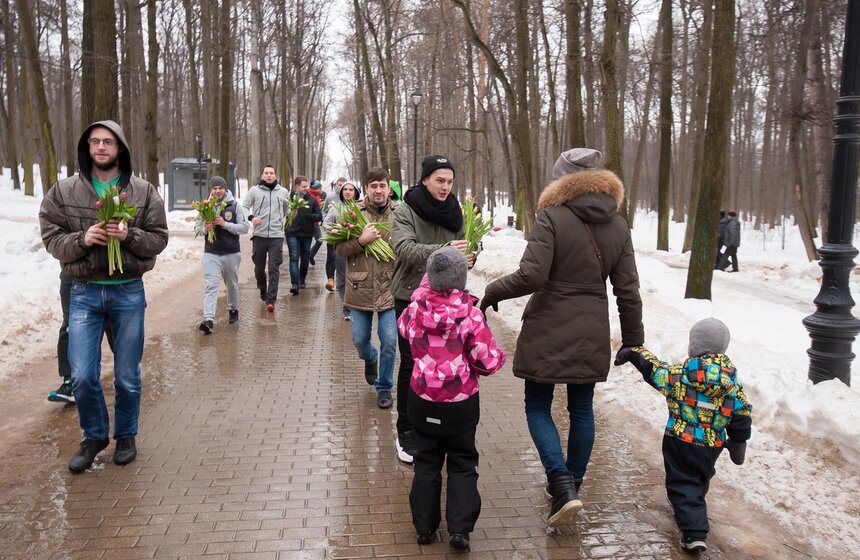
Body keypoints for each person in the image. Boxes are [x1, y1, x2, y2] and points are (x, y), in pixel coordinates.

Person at [480, 147, 644, 526]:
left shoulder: (552, 217)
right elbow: (628, 290)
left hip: (549, 325)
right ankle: (573, 482)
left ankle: (560, 482)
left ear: (562, 179)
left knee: (538, 405)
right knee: (582, 408)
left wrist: (491, 292)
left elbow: (532, 276)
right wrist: (633, 340)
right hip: (591, 328)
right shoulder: (619, 225)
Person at [39, 120, 168, 473]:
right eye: (95, 141)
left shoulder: (143, 191)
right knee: (82, 374)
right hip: (84, 293)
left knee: (127, 374)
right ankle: (94, 435)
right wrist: (84, 239)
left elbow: (158, 238)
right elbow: (51, 238)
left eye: (108, 142)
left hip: (127, 293)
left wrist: (128, 235)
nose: (101, 147)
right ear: (87, 147)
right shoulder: (64, 191)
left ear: (120, 148)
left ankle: (125, 435)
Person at [397, 247, 506, 551]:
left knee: (427, 461)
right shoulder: (470, 315)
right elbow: (486, 362)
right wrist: (500, 356)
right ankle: (459, 529)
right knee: (462, 462)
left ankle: (424, 527)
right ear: (462, 278)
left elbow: (403, 329)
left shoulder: (414, 311)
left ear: (428, 279)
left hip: (421, 400)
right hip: (460, 405)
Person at [614, 318, 752, 554]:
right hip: (712, 445)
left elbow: (654, 370)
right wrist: (738, 444)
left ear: (693, 347)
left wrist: (635, 352)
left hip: (680, 441)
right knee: (698, 478)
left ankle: (694, 534)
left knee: (682, 483)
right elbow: (741, 415)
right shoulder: (732, 384)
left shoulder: (679, 375)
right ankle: (691, 508)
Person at [391, 155, 473, 464]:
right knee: (413, 365)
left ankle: (440, 428)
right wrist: (446, 254)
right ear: (425, 179)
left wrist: (469, 256)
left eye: (450, 181)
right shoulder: (405, 210)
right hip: (410, 297)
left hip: (449, 301)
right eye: (440, 180)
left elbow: (465, 245)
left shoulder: (455, 211)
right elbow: (405, 249)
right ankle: (407, 430)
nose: (445, 187)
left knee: (446, 366)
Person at [333, 168, 398, 409]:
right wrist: (361, 241)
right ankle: (370, 358)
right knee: (360, 339)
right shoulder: (353, 212)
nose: (378, 190)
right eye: (374, 186)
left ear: (388, 188)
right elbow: (339, 249)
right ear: (367, 188)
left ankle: (384, 387)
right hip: (359, 285)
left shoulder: (400, 214)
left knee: (390, 341)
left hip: (390, 287)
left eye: (382, 185)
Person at [48, 272, 114, 403]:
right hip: (72, 274)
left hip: (105, 277)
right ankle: (70, 382)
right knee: (70, 326)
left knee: (112, 325)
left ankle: (126, 370)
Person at [197, 176, 249, 334]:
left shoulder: (235, 206)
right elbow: (196, 229)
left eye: (220, 188)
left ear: (225, 189)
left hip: (231, 252)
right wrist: (205, 228)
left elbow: (245, 228)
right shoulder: (206, 207)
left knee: (231, 285)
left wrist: (225, 224)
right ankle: (208, 320)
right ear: (211, 190)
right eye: (214, 188)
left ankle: (233, 309)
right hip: (211, 252)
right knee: (211, 285)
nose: (217, 191)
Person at [243, 165, 290, 311]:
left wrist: (290, 214)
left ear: (275, 176)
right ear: (262, 175)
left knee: (274, 268)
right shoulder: (254, 191)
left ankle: (271, 300)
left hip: (276, 235)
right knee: (259, 269)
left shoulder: (283, 192)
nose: (269, 175)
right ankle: (263, 289)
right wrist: (251, 218)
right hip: (259, 235)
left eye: (271, 173)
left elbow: (286, 209)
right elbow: (244, 207)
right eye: (266, 173)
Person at [325, 180, 360, 320]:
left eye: (351, 189)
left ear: (356, 192)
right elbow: (327, 224)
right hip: (341, 248)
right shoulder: (335, 208)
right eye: (345, 189)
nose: (347, 192)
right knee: (342, 278)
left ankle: (357, 305)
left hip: (358, 248)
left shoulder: (361, 208)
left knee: (357, 277)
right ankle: (346, 307)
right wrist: (336, 231)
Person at [285, 175, 322, 294]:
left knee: (305, 259)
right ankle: (294, 284)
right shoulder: (289, 199)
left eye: (307, 186)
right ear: (297, 187)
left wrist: (309, 216)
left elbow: (319, 216)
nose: (306, 188)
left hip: (306, 233)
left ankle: (302, 279)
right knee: (294, 257)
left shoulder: (312, 200)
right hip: (292, 232)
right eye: (304, 186)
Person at [322, 177, 347, 292]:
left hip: (346, 237)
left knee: (342, 261)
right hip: (332, 234)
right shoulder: (330, 197)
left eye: (343, 185)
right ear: (335, 185)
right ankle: (330, 279)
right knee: (331, 256)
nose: (341, 187)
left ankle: (342, 282)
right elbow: (323, 212)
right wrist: (329, 226)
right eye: (339, 184)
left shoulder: (354, 202)